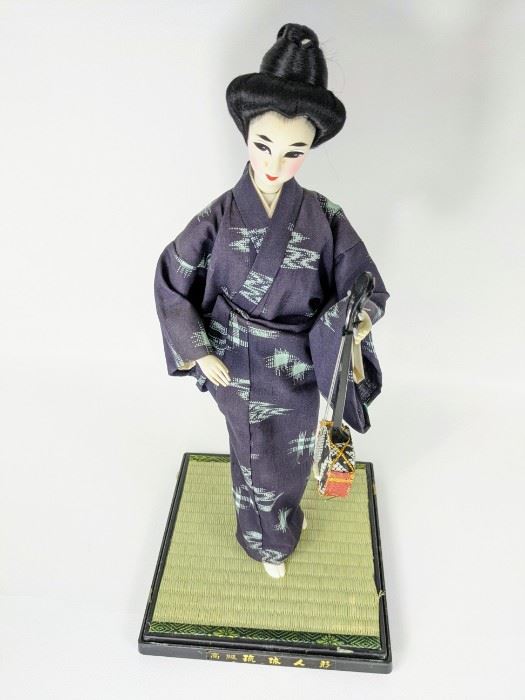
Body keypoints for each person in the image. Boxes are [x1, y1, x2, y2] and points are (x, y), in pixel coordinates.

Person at [154, 23, 389, 579]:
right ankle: (266, 543)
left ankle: (278, 524)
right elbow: (172, 277)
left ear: (310, 150)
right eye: (263, 145)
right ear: (246, 134)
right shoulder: (218, 216)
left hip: (302, 361)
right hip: (237, 362)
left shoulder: (324, 215)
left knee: (293, 454)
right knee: (255, 455)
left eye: (293, 152)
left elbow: (362, 281)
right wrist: (198, 350)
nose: (275, 164)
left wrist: (356, 322)